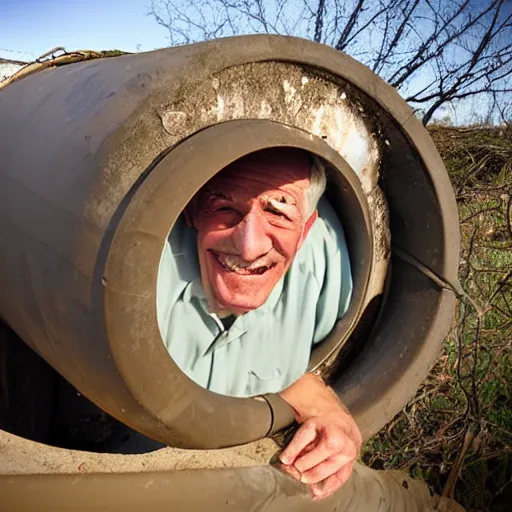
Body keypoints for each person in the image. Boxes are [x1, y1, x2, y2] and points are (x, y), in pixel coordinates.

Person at [157, 148, 362, 500]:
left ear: (306, 229)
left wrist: (328, 408)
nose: (249, 247)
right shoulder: (138, 274)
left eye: (278, 211)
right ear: (191, 209)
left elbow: (311, 359)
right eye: (224, 208)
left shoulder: (328, 270)